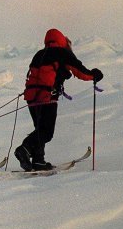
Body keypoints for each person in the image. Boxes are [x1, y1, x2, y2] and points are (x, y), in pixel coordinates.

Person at [15, 28, 103, 171]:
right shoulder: (62, 53)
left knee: (40, 129)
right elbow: (79, 70)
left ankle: (38, 161)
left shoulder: (39, 54)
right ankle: (24, 148)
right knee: (46, 132)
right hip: (47, 97)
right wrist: (94, 75)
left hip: (31, 98)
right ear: (62, 41)